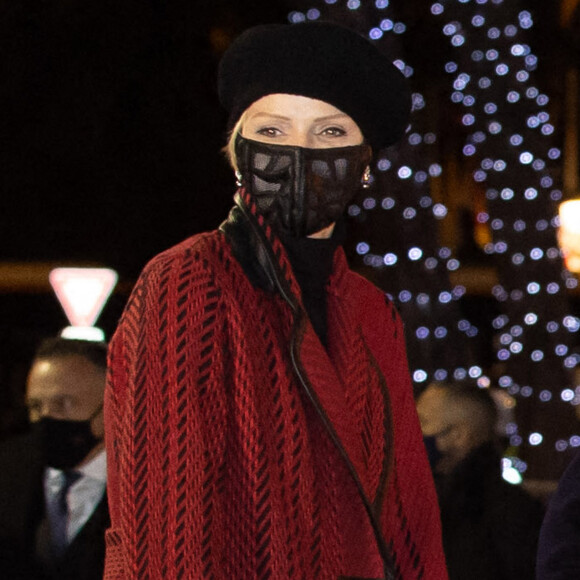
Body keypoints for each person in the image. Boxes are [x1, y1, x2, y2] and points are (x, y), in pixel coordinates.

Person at [103, 21, 448, 579]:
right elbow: (162, 517)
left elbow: (409, 507)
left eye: (330, 133)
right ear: (238, 151)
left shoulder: (371, 310)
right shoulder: (190, 282)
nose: (299, 151)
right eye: (273, 127)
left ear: (364, 165)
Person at [0, 337, 109, 580]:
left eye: (64, 404)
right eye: (36, 406)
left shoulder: (148, 483)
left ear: (110, 405)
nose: (47, 418)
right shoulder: (8, 468)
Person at [416, 381, 544, 580]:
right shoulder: (425, 499)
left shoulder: (509, 512)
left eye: (422, 422)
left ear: (458, 435)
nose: (413, 432)